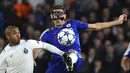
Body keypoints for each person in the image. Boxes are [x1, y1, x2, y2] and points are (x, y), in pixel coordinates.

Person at [40, 5, 127, 73]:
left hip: (75, 59)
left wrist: (117, 22)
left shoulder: (74, 24)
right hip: (57, 63)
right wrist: (32, 58)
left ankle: (70, 59)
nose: (58, 18)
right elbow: (37, 48)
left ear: (65, 16)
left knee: (73, 54)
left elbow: (96, 26)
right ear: (52, 16)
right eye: (56, 15)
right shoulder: (47, 34)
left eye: (60, 15)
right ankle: (67, 60)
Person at [0, 25, 71, 73]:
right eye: (14, 33)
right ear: (8, 36)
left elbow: (47, 46)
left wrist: (63, 54)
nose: (18, 35)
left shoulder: (28, 43)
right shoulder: (4, 54)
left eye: (18, 32)